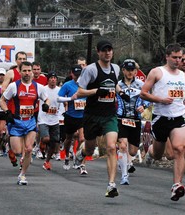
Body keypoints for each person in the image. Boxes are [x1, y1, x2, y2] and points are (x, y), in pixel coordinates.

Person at [72, 40, 126, 197]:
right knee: (89, 148)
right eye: (104, 50)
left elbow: (114, 85)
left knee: (111, 147)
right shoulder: (91, 70)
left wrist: (121, 92)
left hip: (109, 115)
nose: (107, 53)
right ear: (98, 52)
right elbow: (80, 92)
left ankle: (111, 185)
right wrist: (97, 91)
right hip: (92, 116)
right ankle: (81, 154)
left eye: (110, 50)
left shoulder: (115, 68)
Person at [140, 43, 185, 201]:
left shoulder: (183, 75)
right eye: (174, 57)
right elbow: (143, 94)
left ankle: (176, 185)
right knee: (160, 154)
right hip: (160, 118)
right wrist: (160, 99)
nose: (177, 60)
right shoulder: (157, 72)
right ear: (167, 56)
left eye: (180, 58)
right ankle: (150, 153)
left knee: (179, 149)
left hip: (179, 117)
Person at [0, 61, 49, 185]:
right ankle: (9, 145)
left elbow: (46, 98)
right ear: (20, 72)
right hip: (16, 122)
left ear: (32, 72)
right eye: (24, 71)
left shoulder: (38, 87)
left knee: (28, 149)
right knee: (17, 151)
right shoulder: (13, 86)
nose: (27, 73)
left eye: (29, 71)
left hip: (30, 121)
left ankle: (22, 175)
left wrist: (46, 105)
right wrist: (7, 112)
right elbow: (2, 100)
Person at [116, 59, 150, 185]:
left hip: (135, 119)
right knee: (123, 145)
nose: (130, 72)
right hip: (121, 118)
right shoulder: (118, 85)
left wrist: (144, 107)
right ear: (123, 70)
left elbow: (148, 99)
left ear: (136, 71)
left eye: (132, 70)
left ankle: (123, 160)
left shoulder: (141, 84)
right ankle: (124, 175)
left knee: (133, 151)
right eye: (127, 70)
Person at [57, 65, 87, 174]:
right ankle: (66, 156)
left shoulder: (86, 84)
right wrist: (70, 98)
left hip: (82, 116)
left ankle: (79, 160)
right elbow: (58, 98)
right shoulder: (67, 85)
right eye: (75, 74)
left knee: (82, 138)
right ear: (72, 74)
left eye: (79, 74)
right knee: (68, 139)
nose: (77, 76)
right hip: (70, 116)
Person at [0, 51, 27, 167]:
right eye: (20, 59)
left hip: (27, 110)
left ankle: (23, 159)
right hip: (12, 109)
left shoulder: (28, 73)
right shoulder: (11, 73)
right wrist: (14, 93)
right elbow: (2, 89)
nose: (22, 61)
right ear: (16, 61)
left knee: (26, 135)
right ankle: (11, 149)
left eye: (24, 59)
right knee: (14, 136)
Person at [38, 71, 61, 170]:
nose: (53, 79)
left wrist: (61, 115)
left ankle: (47, 161)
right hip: (43, 118)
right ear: (48, 80)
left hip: (55, 119)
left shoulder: (60, 90)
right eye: (51, 78)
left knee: (54, 142)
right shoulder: (43, 89)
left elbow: (63, 102)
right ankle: (41, 144)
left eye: (54, 78)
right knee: (46, 139)